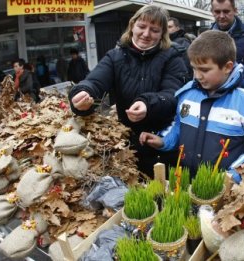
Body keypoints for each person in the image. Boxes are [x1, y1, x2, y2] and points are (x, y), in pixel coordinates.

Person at [139, 30, 244, 183]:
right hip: (186, 186)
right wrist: (163, 141)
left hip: (230, 193)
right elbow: (178, 127)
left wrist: (231, 177)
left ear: (227, 67)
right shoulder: (187, 94)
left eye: (204, 70)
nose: (197, 75)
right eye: (194, 68)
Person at [69, 5, 187, 177]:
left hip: (164, 143)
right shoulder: (115, 56)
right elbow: (95, 81)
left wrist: (147, 104)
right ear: (132, 26)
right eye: (142, 26)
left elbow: (174, 95)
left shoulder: (173, 57)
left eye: (154, 30)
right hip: (127, 145)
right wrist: (83, 92)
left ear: (162, 34)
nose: (146, 34)